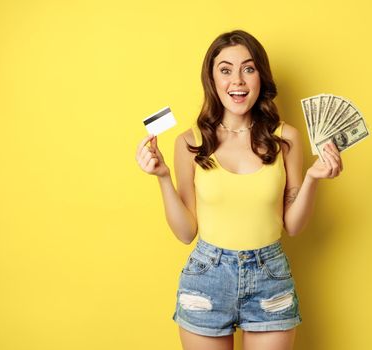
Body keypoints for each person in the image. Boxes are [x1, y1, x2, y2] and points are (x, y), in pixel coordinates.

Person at [135, 29, 343, 350]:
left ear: (261, 76)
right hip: (206, 278)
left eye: (248, 69)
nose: (238, 81)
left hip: (269, 277)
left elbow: (294, 225)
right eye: (226, 70)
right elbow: (186, 232)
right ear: (212, 79)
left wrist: (313, 178)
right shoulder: (189, 143)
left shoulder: (286, 138)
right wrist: (162, 176)